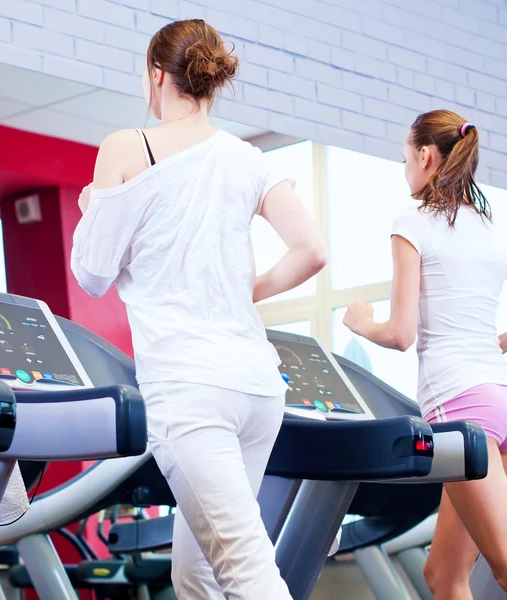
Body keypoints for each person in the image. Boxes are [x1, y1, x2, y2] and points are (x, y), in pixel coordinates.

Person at [71, 19, 327, 600]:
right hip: (257, 389)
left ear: (157, 76)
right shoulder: (248, 158)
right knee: (196, 574)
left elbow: (91, 274)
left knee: (246, 573)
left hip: (190, 389)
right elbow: (312, 250)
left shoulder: (127, 146)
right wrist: (244, 291)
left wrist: (95, 205)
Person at [343, 109, 507, 600]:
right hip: (506, 403)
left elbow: (401, 334)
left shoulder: (412, 222)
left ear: (425, 155)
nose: (404, 169)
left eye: (404, 158)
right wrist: (499, 344)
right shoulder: (496, 228)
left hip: (461, 406)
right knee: (443, 575)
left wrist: (361, 322)